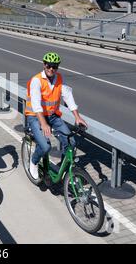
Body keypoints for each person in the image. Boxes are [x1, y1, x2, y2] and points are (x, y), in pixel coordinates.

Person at [25, 52, 88, 180]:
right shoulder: (36, 81)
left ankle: (64, 171)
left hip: (52, 116)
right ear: (44, 65)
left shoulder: (59, 78)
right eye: (49, 66)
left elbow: (68, 97)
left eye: (54, 66)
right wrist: (43, 124)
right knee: (46, 146)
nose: (51, 69)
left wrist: (77, 116)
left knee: (71, 142)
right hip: (36, 117)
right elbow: (36, 105)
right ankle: (33, 161)